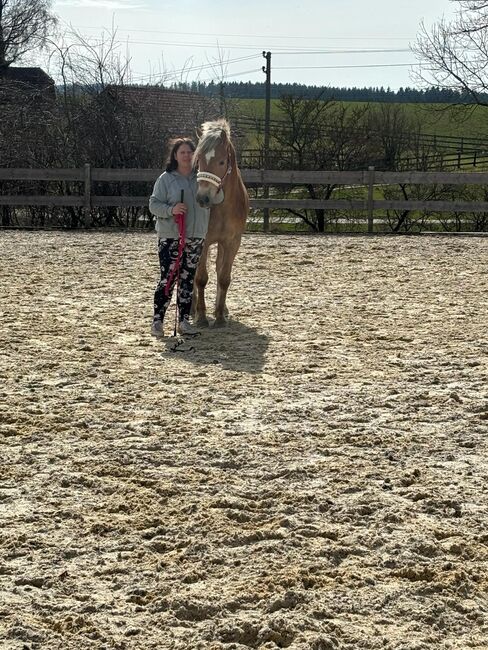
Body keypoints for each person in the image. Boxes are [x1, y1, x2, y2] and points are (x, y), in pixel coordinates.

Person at [149, 137, 223, 337]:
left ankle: (184, 321)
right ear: (175, 155)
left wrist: (216, 184)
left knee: (188, 280)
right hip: (171, 236)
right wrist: (171, 209)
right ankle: (158, 321)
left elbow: (219, 198)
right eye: (182, 152)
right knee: (168, 279)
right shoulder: (165, 179)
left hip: (196, 236)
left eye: (190, 153)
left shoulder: (201, 178)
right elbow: (153, 204)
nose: (186, 156)